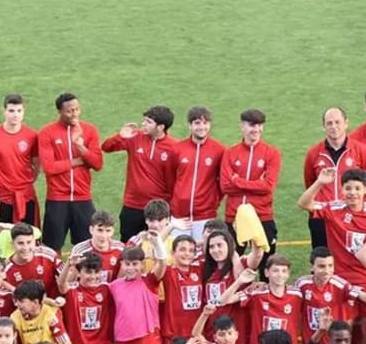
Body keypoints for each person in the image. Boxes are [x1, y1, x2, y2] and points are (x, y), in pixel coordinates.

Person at [38, 92, 104, 251]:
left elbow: (97, 164)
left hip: (83, 197)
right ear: (59, 111)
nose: (74, 114)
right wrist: (79, 161)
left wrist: (80, 146)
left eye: (77, 109)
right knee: (52, 247)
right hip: (57, 198)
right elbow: (49, 168)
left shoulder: (89, 130)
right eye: (69, 111)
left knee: (87, 246)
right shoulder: (47, 133)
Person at [102, 105, 177, 241]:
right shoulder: (135, 138)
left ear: (160, 127)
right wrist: (120, 136)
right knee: (128, 244)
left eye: (148, 122)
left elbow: (173, 181)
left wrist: (169, 206)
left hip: (157, 209)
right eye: (144, 120)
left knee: (157, 244)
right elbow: (106, 147)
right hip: (132, 205)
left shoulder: (174, 148)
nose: (143, 124)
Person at [220, 109, 281, 264]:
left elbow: (268, 186)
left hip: (262, 216)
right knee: (229, 263)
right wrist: (256, 184)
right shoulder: (230, 153)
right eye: (252, 125)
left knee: (267, 265)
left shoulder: (272, 153)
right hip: (234, 216)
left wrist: (237, 180)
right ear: (242, 126)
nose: (256, 129)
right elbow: (225, 186)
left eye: (260, 125)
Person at [301, 107, 366, 249]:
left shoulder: (360, 151)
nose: (334, 127)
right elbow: (310, 183)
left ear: (346, 123)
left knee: (353, 260)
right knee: (322, 259)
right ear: (323, 126)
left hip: (352, 216)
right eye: (329, 123)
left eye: (338, 122)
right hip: (321, 216)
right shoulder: (313, 153)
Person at [0, 94, 40, 226]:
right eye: (11, 111)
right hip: (2, 196)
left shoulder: (32, 136)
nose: (15, 115)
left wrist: (27, 182)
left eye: (19, 111)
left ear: (24, 111)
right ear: (4, 111)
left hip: (25, 195)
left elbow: (37, 165)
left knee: (28, 237)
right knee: (2, 237)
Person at [170, 106, 224, 241]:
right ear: (190, 125)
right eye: (197, 123)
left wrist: (214, 202)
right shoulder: (177, 149)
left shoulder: (219, 150)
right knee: (178, 255)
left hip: (205, 216)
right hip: (179, 216)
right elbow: (169, 180)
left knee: (203, 257)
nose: (201, 127)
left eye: (205, 123)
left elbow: (223, 182)